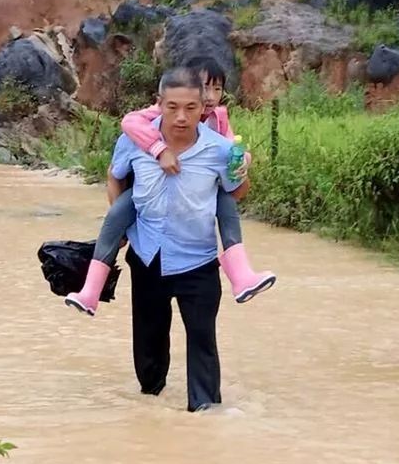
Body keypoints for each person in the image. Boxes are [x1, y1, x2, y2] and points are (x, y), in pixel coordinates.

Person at [65, 56, 275, 315]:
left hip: (199, 242)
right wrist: (159, 149)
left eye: (217, 88)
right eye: (204, 86)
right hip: (147, 221)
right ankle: (90, 291)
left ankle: (242, 275)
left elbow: (232, 150)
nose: (210, 95)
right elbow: (129, 124)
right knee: (118, 214)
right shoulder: (167, 109)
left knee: (226, 204)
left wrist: (242, 160)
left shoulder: (218, 119)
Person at [105, 66, 245, 412]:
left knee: (202, 341)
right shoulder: (134, 140)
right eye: (172, 107)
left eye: (190, 108)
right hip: (147, 254)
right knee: (148, 343)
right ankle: (150, 405)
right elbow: (115, 177)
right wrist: (121, 225)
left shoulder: (219, 149)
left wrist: (242, 173)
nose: (181, 117)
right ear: (159, 103)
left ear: (204, 108)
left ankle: (204, 413)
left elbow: (234, 194)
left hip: (197, 259)